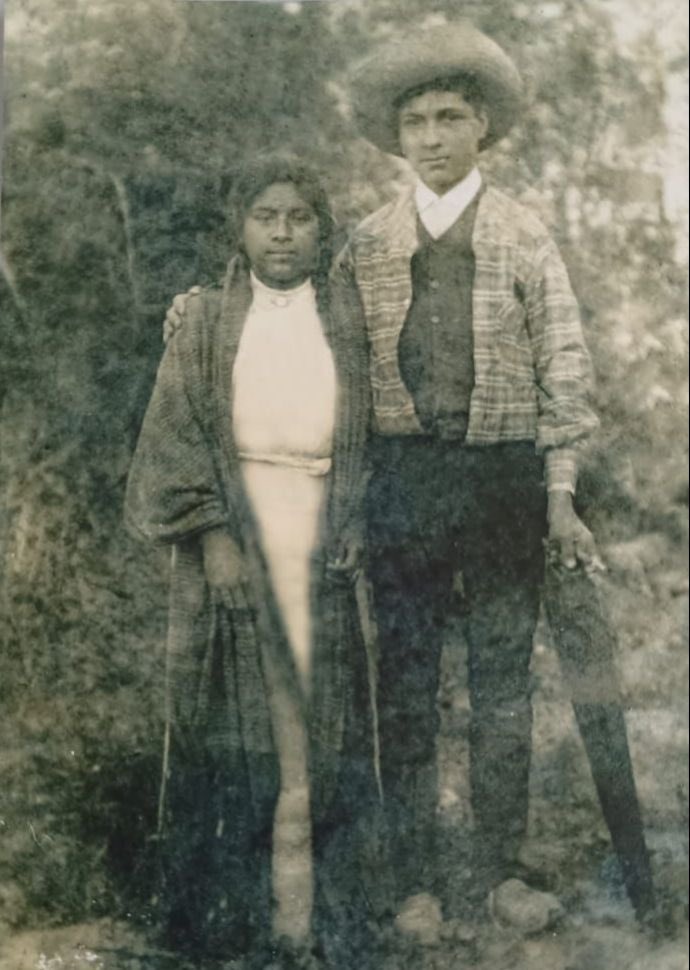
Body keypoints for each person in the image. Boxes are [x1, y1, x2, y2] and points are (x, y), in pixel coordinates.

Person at [341, 21, 657, 925]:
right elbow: (316, 340)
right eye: (416, 123)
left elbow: (566, 370)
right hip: (401, 486)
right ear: (397, 137)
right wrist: (195, 310)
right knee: (402, 683)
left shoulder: (525, 237)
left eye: (449, 118)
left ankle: (500, 873)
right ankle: (415, 882)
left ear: (482, 128)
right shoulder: (365, 245)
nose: (432, 138)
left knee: (501, 686)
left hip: (503, 488)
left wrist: (559, 498)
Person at [125, 155, 379, 969]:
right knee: (240, 732)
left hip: (322, 535)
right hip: (236, 537)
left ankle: (308, 925)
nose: (280, 232)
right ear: (240, 228)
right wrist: (213, 538)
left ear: (320, 229)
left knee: (315, 730)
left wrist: (357, 517)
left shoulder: (350, 316)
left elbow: (375, 430)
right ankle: (230, 920)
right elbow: (176, 437)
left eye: (298, 217)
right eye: (264, 216)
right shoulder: (201, 321)